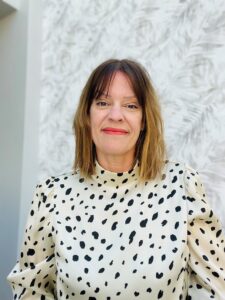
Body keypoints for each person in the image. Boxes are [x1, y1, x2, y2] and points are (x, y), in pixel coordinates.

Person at [8, 59, 225, 299]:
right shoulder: (51, 195)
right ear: (87, 115)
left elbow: (214, 287)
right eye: (103, 102)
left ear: (144, 120)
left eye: (131, 106)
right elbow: (30, 290)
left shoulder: (181, 185)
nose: (115, 115)